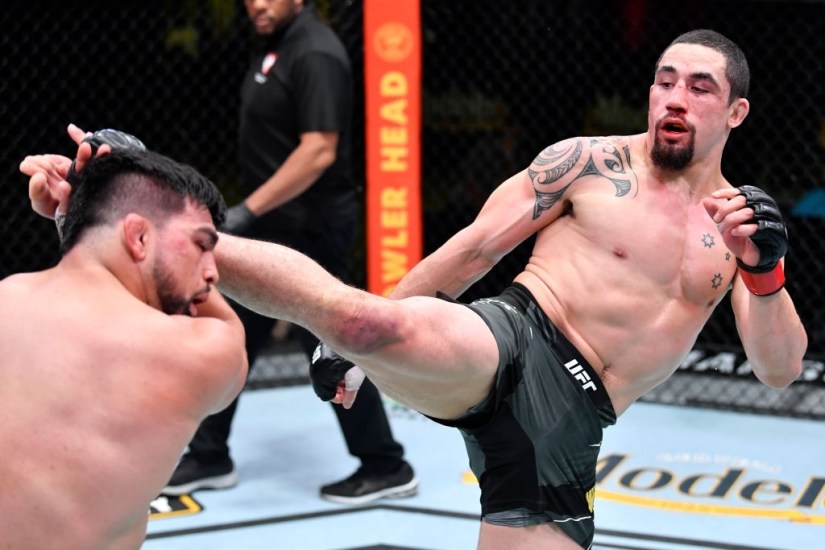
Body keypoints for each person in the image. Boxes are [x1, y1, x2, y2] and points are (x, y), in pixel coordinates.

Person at [24, 29, 808, 550]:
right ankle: (146, 206)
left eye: (698, 88)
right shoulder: (585, 164)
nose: (673, 98)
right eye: (663, 80)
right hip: (515, 338)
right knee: (366, 323)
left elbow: (777, 368)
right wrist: (349, 346)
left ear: (734, 110)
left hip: (569, 428)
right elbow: (469, 251)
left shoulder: (733, 227)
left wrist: (765, 273)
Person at [160, 0, 417, 503]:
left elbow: (318, 148)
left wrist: (247, 210)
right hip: (274, 229)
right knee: (231, 329)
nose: (256, 3)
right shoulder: (274, 49)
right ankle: (211, 452)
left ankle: (386, 464)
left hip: (308, 230)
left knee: (331, 340)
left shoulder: (315, 51)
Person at [10, 128, 248, 549]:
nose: (212, 271)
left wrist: (82, 218)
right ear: (138, 237)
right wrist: (80, 215)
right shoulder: (199, 352)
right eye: (202, 245)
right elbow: (228, 339)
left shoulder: (6, 297)